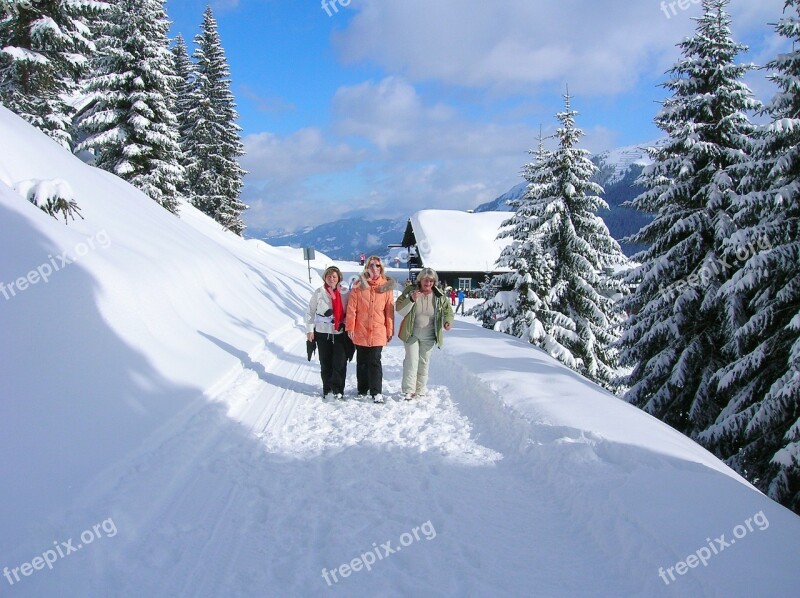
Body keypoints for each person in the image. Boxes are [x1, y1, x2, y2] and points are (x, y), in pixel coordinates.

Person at [396, 268, 454, 400]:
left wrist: (447, 321)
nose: (428, 283)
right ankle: (409, 390)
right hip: (411, 333)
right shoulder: (410, 291)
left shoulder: (439, 296)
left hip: (429, 335)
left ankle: (420, 390)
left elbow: (448, 312)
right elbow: (399, 309)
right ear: (420, 280)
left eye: (431, 280)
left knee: (424, 362)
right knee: (411, 361)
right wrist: (411, 299)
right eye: (425, 280)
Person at [346, 256, 395, 403]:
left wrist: (389, 329)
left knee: (374, 360)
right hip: (361, 328)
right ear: (367, 267)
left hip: (378, 329)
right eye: (372, 265)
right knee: (361, 360)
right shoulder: (358, 284)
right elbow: (351, 308)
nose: (375, 268)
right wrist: (350, 326)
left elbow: (389, 310)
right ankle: (362, 389)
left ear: (381, 268)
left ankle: (376, 392)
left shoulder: (386, 286)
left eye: (378, 265)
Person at [305, 266, 350, 399]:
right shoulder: (319, 293)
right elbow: (310, 312)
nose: (331, 279)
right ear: (325, 277)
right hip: (322, 332)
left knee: (340, 362)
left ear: (339, 278)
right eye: (329, 276)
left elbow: (351, 311)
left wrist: (347, 322)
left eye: (334, 276)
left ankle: (338, 390)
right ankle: (328, 389)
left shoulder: (345, 293)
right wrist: (309, 330)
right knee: (325, 362)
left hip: (340, 332)